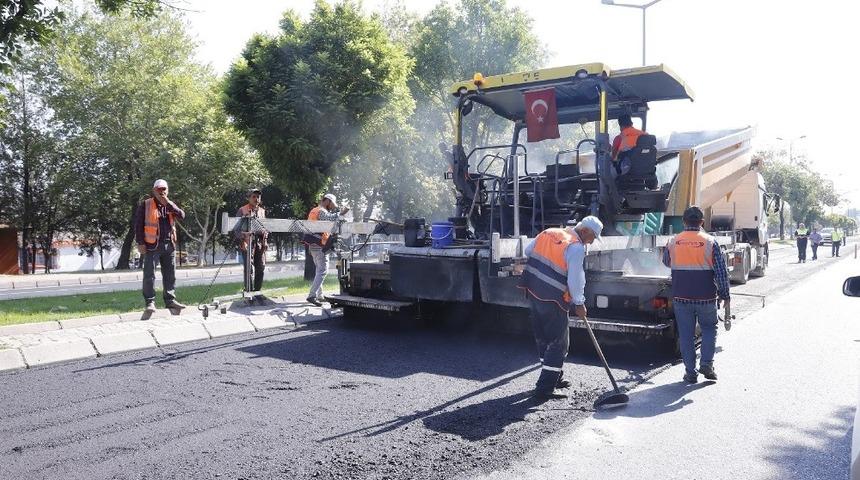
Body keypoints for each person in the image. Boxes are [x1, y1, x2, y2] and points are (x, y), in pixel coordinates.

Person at [520, 216, 604, 399]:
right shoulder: (575, 247)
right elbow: (575, 280)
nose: (591, 241)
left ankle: (554, 377)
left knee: (544, 338)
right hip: (553, 299)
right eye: (593, 237)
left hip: (533, 292)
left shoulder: (549, 232)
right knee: (559, 344)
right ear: (585, 231)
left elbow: (528, 251)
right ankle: (544, 389)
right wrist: (579, 303)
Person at [662, 206, 730, 384]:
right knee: (709, 329)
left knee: (686, 335)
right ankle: (706, 363)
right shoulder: (710, 241)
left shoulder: (672, 241)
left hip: (681, 296)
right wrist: (725, 294)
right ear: (701, 222)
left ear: (684, 221)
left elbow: (666, 262)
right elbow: (721, 271)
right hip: (706, 296)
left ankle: (690, 373)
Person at [135, 179, 186, 313]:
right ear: (154, 191)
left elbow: (182, 216)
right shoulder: (146, 205)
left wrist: (168, 203)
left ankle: (170, 301)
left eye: (164, 189)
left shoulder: (170, 204)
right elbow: (138, 225)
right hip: (152, 246)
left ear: (167, 190)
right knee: (149, 275)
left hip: (169, 244)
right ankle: (150, 302)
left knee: (170, 275)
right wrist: (140, 243)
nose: (162, 192)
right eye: (159, 189)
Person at [304, 193, 349, 306]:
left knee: (319, 270)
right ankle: (312, 295)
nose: (332, 207)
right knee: (323, 270)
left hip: (314, 244)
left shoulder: (314, 210)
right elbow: (330, 218)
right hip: (319, 245)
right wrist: (341, 213)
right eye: (332, 204)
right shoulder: (321, 211)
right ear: (327, 201)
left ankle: (320, 295)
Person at [235, 188, 268, 303]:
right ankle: (248, 293)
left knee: (261, 268)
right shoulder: (242, 210)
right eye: (253, 196)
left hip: (260, 243)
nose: (256, 199)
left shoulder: (262, 211)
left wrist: (266, 241)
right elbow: (236, 230)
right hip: (247, 242)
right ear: (249, 198)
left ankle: (257, 292)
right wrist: (243, 238)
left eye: (258, 196)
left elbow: (265, 228)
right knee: (249, 269)